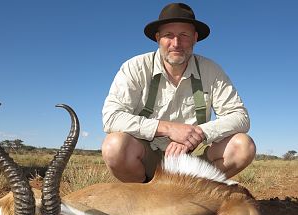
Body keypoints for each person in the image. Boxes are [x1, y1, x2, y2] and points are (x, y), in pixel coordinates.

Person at [102, 2, 256, 183]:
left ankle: (196, 192)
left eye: (184, 35)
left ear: (195, 38)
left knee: (243, 146)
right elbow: (111, 118)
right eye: (169, 35)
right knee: (114, 146)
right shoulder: (135, 67)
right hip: (148, 159)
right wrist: (169, 128)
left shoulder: (211, 70)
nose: (176, 43)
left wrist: (196, 134)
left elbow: (240, 117)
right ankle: (143, 196)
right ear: (158, 38)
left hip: (192, 162)